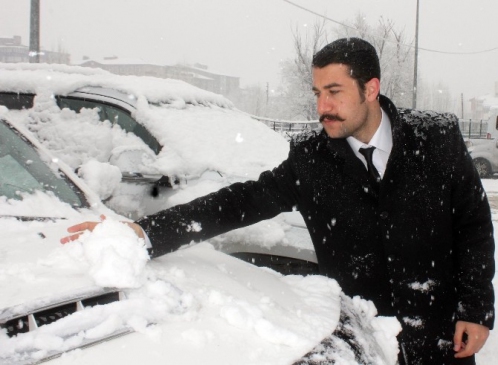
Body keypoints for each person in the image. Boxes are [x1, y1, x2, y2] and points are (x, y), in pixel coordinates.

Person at [62, 37, 494, 364]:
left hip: (442, 337)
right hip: (362, 338)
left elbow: (474, 224)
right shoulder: (312, 157)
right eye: (317, 93)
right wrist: (143, 233)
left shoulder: (435, 138)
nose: (323, 106)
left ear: (371, 89)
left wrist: (476, 308)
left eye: (335, 92)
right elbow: (240, 202)